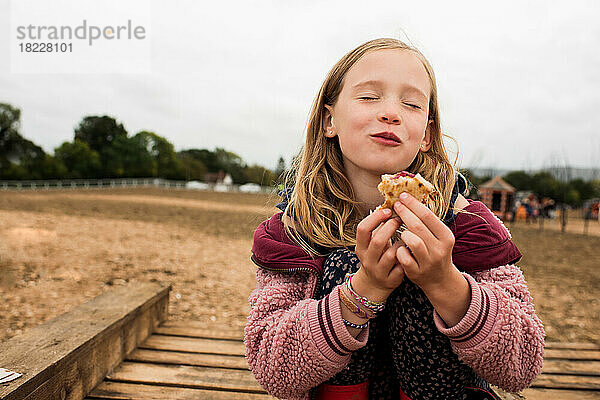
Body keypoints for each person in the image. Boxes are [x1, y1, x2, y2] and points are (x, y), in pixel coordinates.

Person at [244, 38, 545, 400]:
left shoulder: (468, 225)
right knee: (344, 264)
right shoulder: (293, 232)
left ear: (427, 136)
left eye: (412, 103)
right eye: (369, 97)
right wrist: (364, 290)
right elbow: (272, 370)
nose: (391, 113)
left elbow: (523, 364)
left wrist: (444, 282)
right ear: (329, 120)